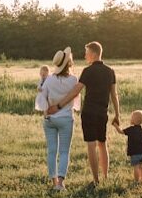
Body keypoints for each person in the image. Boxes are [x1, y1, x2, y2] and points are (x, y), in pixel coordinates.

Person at [47, 41, 120, 186]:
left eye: (86, 52)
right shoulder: (110, 71)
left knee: (91, 145)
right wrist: (117, 114)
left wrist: (59, 105)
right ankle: (105, 177)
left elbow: (76, 91)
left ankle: (96, 180)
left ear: (93, 54)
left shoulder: (88, 71)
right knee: (102, 144)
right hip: (102, 113)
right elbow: (114, 94)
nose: (85, 55)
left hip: (89, 113)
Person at [36, 47, 80, 191]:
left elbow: (42, 98)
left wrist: (46, 112)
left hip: (49, 119)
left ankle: (54, 182)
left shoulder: (49, 80)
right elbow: (76, 100)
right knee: (64, 151)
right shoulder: (74, 80)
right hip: (66, 119)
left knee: (51, 151)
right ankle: (61, 183)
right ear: (69, 63)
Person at [112, 110, 142, 183]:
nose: (130, 119)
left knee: (136, 167)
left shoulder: (131, 129)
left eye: (132, 117)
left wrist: (115, 125)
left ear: (134, 120)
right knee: (141, 167)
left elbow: (121, 132)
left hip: (134, 153)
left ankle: (137, 180)